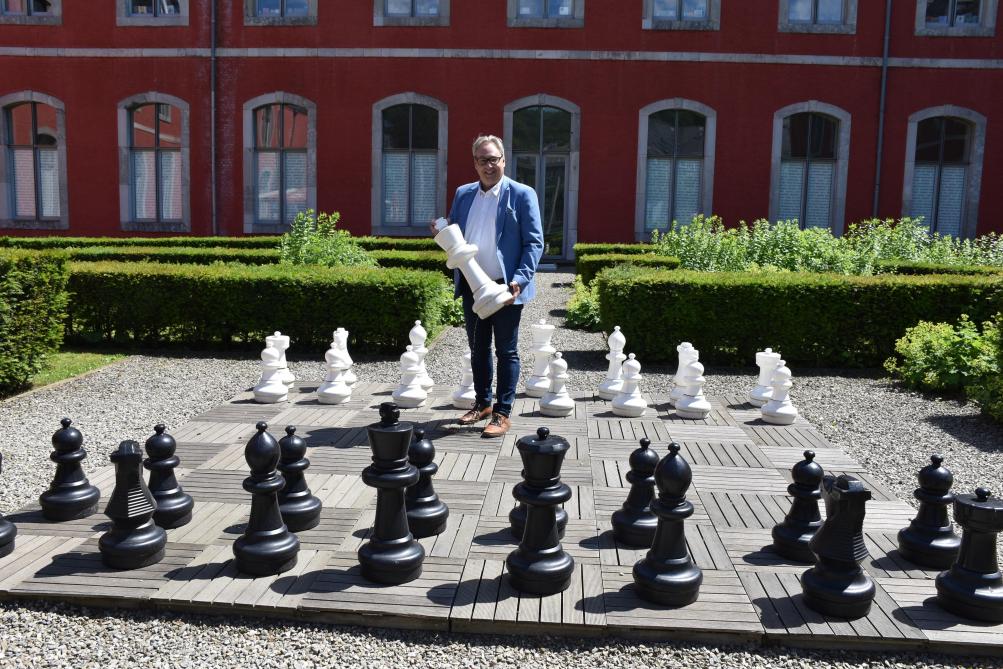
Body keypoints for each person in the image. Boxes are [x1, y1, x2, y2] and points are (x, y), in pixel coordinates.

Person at [437, 135, 544, 437]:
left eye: (493, 159)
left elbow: (534, 242)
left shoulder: (522, 194)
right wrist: (440, 229)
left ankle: (502, 413)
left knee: (506, 351)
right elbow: (454, 229)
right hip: (472, 285)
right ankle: (483, 403)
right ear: (474, 163)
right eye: (482, 160)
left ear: (503, 160)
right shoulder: (463, 193)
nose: (488, 165)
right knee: (477, 348)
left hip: (506, 288)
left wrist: (520, 280)